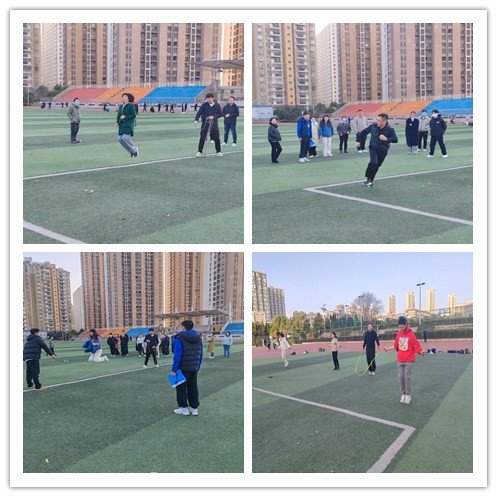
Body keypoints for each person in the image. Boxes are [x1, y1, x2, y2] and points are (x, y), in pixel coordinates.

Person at [384, 316, 426, 404]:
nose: (401, 329)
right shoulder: (398, 334)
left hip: (408, 360)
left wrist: (421, 351)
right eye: (399, 327)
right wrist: (387, 349)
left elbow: (416, 345)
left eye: (402, 327)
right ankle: (403, 394)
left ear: (406, 325)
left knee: (407, 377)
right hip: (400, 360)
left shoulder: (411, 335)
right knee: (400, 377)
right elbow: (396, 345)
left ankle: (408, 395)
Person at [356, 113, 398, 187]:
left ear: (384, 121)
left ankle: (370, 180)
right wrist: (358, 141)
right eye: (377, 120)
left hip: (383, 150)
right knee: (373, 162)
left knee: (377, 165)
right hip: (373, 147)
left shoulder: (390, 129)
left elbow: (395, 139)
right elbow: (363, 132)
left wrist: (386, 139)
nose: (377, 122)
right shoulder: (373, 126)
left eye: (379, 120)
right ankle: (369, 180)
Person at [171, 320, 203, 416]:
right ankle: (194, 408)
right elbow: (201, 353)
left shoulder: (180, 338)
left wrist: (174, 369)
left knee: (181, 388)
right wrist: (198, 366)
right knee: (193, 388)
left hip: (182, 368)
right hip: (194, 367)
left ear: (183, 327)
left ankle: (183, 408)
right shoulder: (198, 337)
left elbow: (177, 355)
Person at [193, 93, 223, 157]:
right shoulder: (204, 105)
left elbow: (220, 114)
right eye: (207, 98)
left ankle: (218, 151)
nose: (208, 100)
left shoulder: (217, 105)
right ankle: (199, 152)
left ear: (212, 98)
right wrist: (196, 120)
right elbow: (199, 113)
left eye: (209, 98)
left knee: (216, 138)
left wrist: (214, 117)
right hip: (205, 124)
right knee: (202, 138)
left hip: (214, 125)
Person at [116, 92, 139, 158]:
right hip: (122, 125)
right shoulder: (121, 106)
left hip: (128, 125)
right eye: (123, 97)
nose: (123, 98)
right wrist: (117, 122)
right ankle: (131, 151)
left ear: (128, 99)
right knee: (120, 139)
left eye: (125, 97)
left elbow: (133, 115)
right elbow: (119, 115)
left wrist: (125, 117)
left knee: (125, 138)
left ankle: (135, 149)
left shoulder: (131, 105)